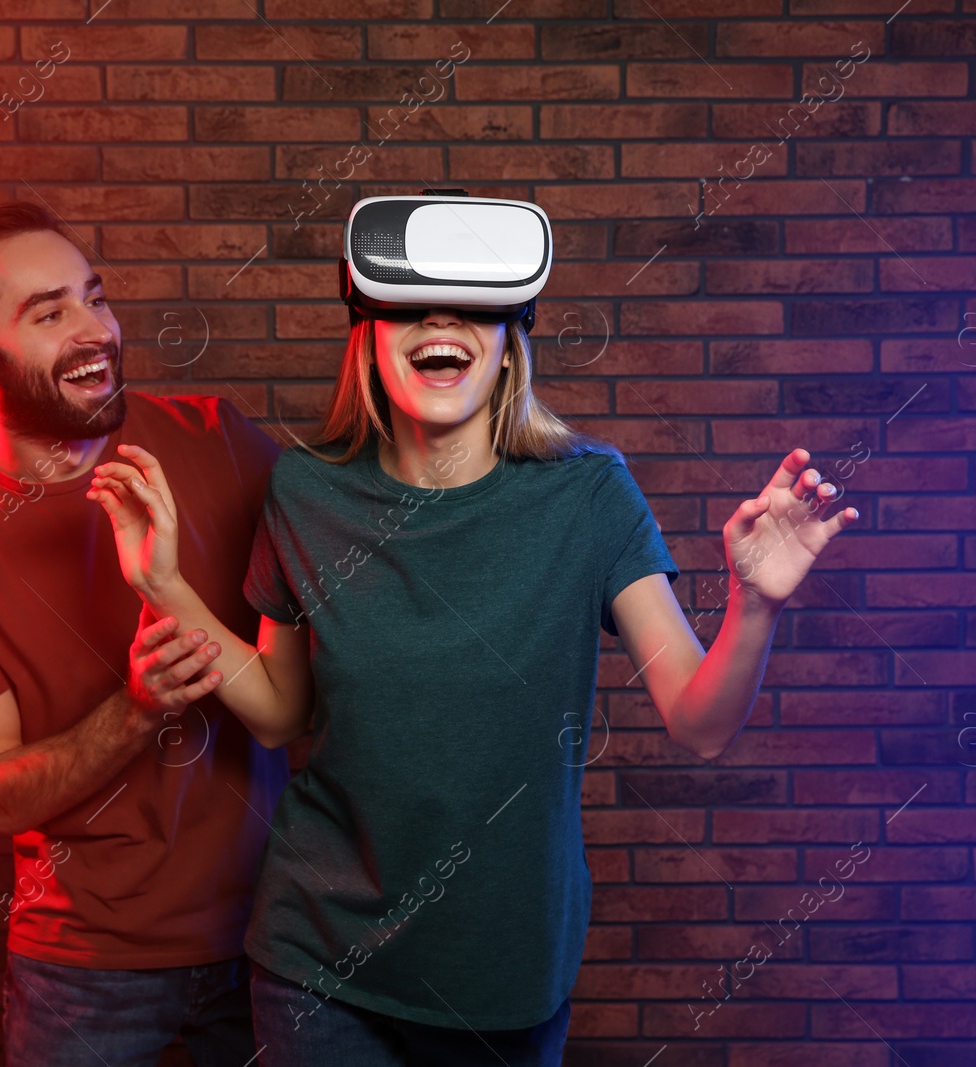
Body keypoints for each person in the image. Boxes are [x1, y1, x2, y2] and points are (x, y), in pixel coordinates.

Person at [89, 198, 858, 1066]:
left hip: (504, 977)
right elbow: (277, 709)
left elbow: (700, 720)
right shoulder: (306, 491)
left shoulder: (590, 495)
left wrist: (755, 605)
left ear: (510, 335)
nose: (442, 321)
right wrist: (161, 585)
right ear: (368, 330)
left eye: (473, 305)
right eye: (412, 303)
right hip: (318, 964)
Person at [0, 201, 289, 1067]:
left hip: (275, 935)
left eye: (93, 297)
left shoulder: (217, 440)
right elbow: (0, 793)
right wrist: (137, 708)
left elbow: (336, 640)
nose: (94, 330)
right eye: (49, 312)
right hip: (86, 969)